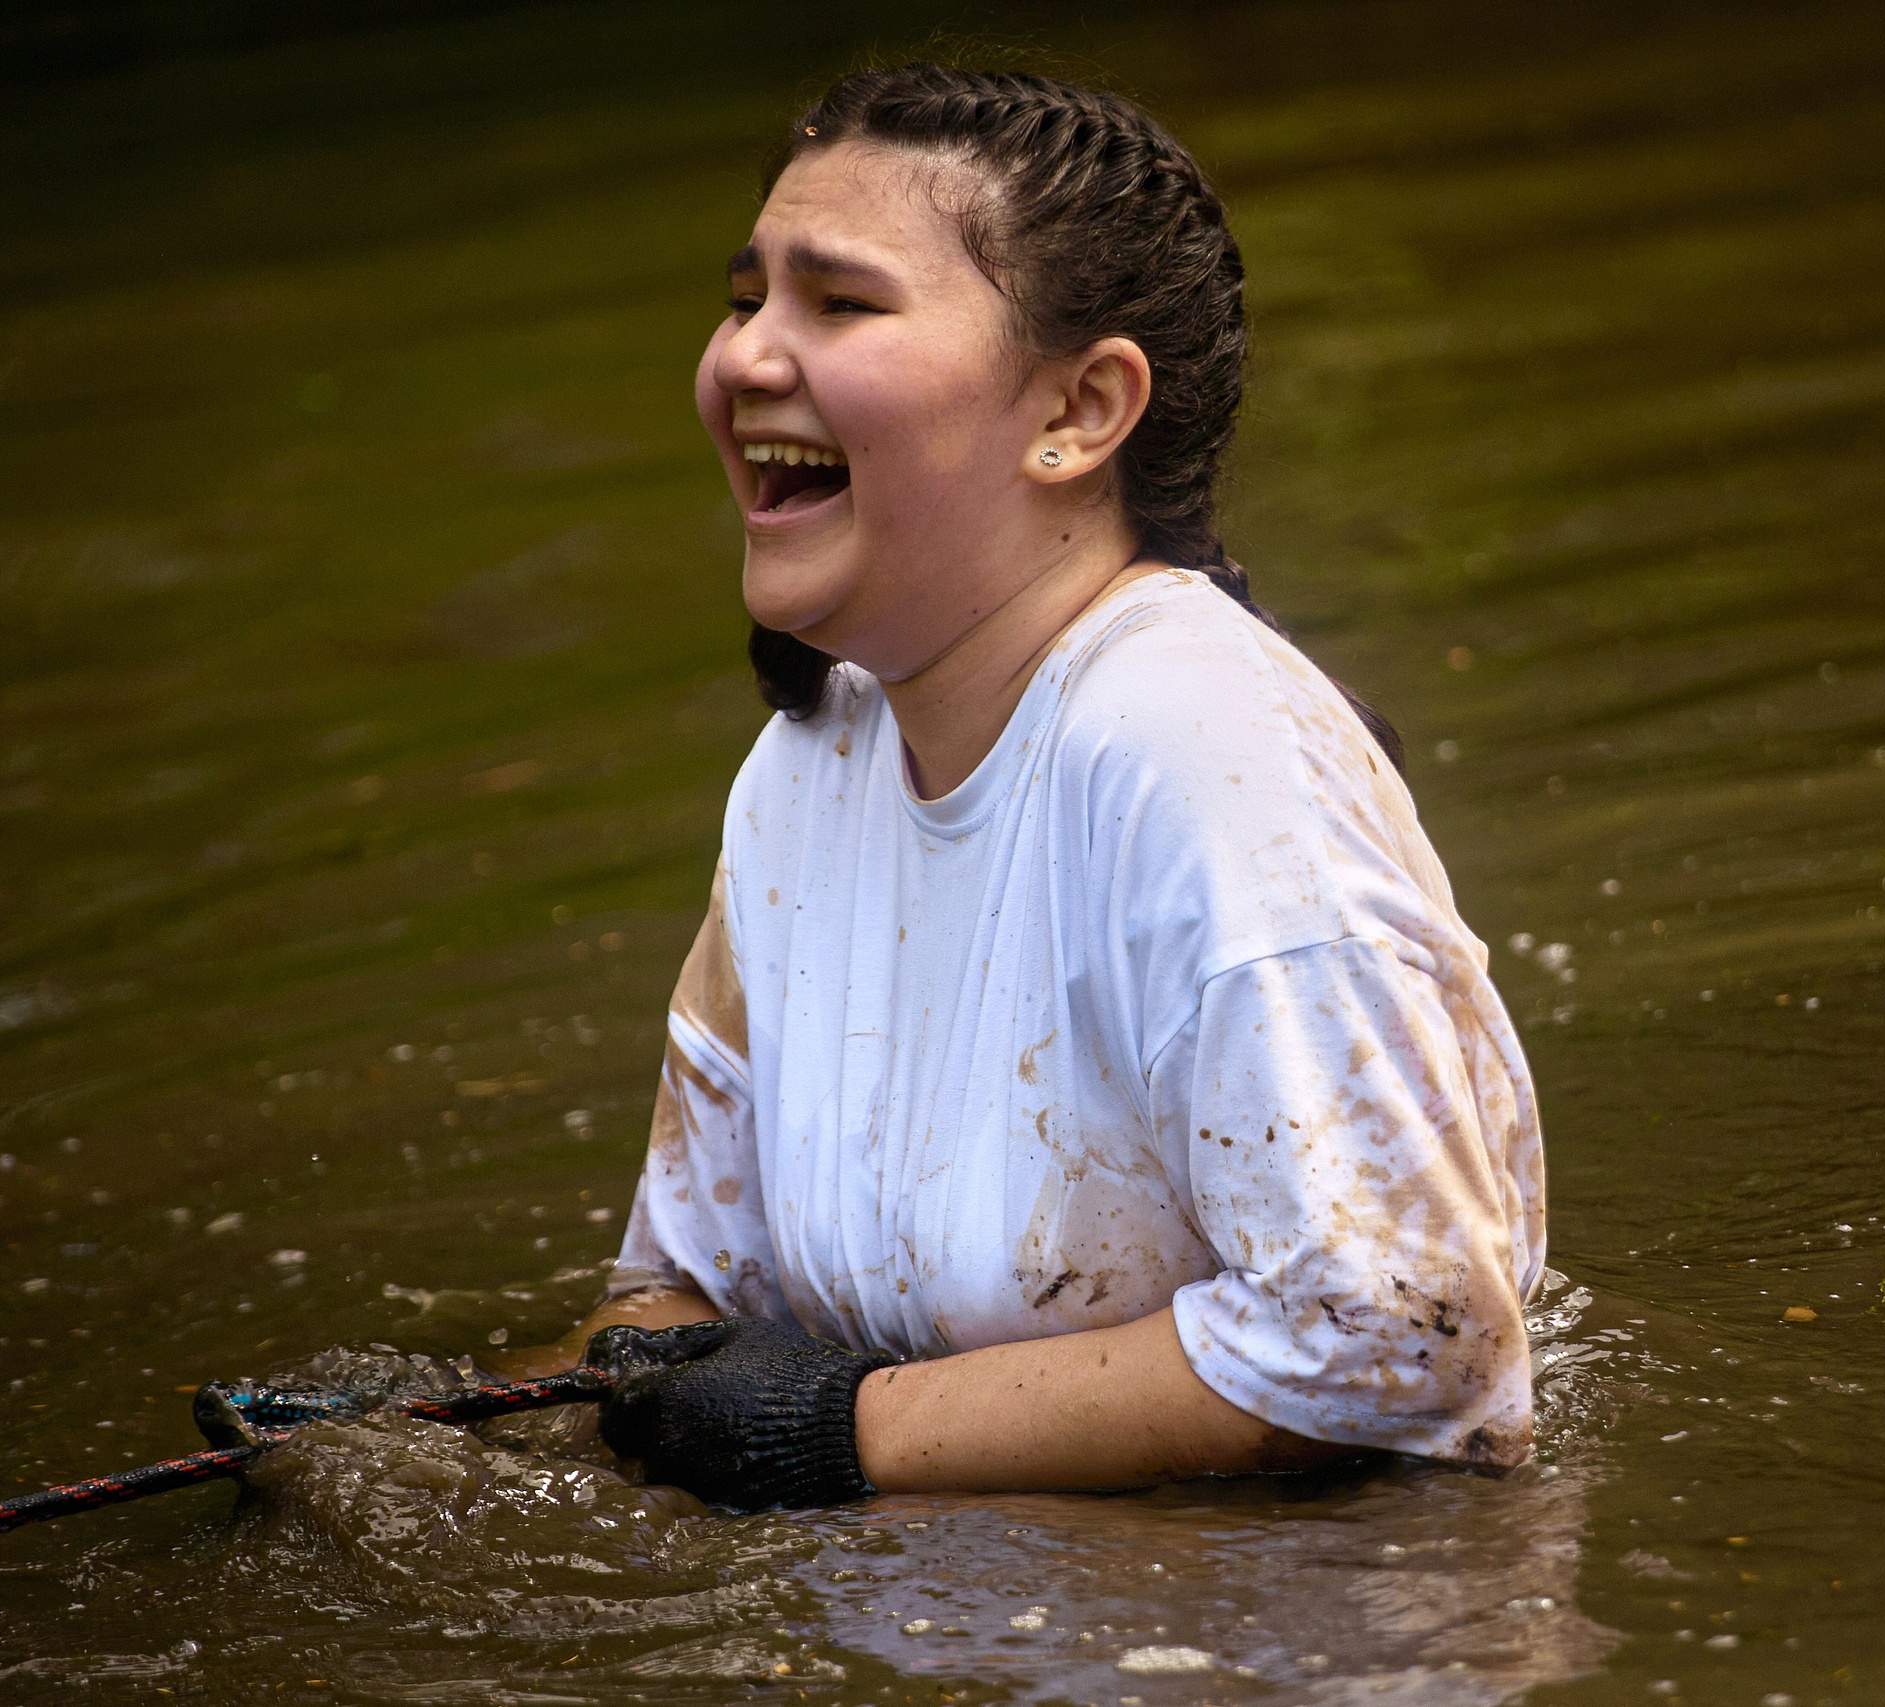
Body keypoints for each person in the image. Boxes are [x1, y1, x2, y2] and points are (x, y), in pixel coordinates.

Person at [509, 63, 1546, 1507]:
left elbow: (1404, 1340)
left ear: (1079, 407)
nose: (744, 358)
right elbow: (682, 1294)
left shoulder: (1202, 745)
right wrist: (432, 1430)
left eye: (839, 302)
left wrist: (848, 1433)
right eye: (747, 299)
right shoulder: (808, 767)